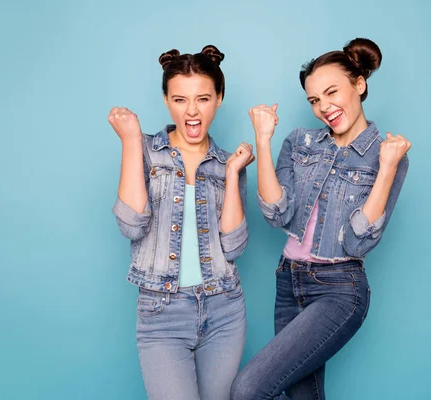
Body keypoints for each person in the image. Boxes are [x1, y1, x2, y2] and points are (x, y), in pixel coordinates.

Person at [231, 38, 411, 399]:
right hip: (289, 282)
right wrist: (263, 141)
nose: (324, 107)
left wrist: (388, 166)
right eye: (314, 100)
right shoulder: (300, 143)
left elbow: (359, 241)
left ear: (359, 85)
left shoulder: (388, 155)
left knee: (247, 389)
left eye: (332, 92)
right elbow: (276, 213)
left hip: (340, 289)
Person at [109, 45, 253, 400]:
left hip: (224, 309)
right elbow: (131, 225)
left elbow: (234, 246)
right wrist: (130, 140)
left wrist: (233, 173)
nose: (191, 111)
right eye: (180, 99)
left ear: (219, 98)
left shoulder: (227, 162)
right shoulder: (144, 150)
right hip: (161, 312)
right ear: (166, 100)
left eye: (203, 98)